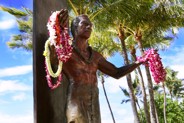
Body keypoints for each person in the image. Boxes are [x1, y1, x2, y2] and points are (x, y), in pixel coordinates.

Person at [52, 9, 142, 123]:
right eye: (85, 24)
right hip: (76, 103)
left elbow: (116, 72)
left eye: (90, 25)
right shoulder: (67, 52)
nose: (89, 27)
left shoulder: (95, 56)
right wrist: (58, 28)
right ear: (75, 27)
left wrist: (138, 63)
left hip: (94, 103)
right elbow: (52, 57)